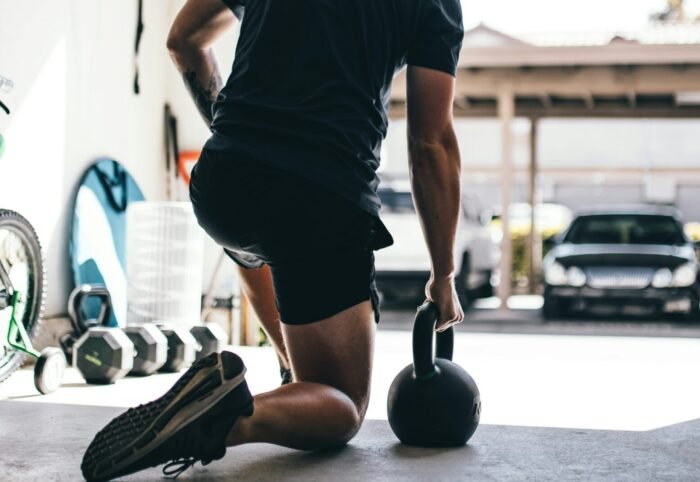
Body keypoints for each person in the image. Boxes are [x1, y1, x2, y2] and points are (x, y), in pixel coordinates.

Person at [81, 0, 464, 479]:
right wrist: (443, 274)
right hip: (320, 194)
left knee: (260, 237)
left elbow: (183, 39)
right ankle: (228, 414)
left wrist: (233, 131)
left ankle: (289, 376)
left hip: (224, 183)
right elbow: (430, 144)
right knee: (344, 404)